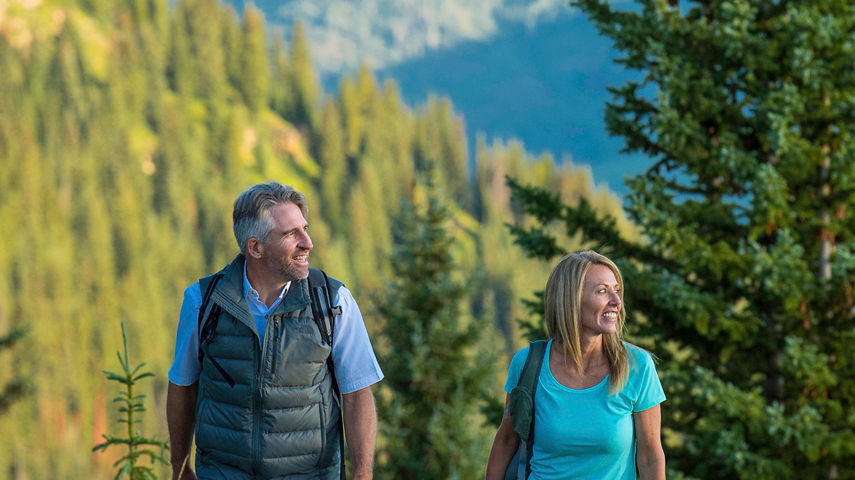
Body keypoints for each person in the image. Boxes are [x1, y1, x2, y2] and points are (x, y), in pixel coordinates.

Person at [167, 182, 384, 480]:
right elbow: (183, 386)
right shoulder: (202, 302)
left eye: (305, 229)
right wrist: (179, 469)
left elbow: (357, 394)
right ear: (255, 247)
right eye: (291, 234)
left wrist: (362, 474)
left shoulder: (333, 301)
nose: (308, 243)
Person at [485, 251, 666, 480]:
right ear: (571, 300)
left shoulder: (637, 366)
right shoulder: (529, 363)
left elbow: (650, 456)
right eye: (603, 291)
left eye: (617, 290)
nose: (617, 301)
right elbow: (506, 441)